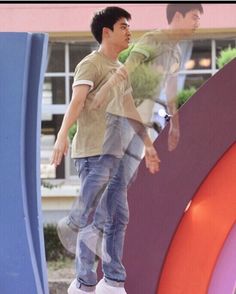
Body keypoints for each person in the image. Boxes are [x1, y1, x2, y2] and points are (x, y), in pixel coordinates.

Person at [51, 6, 160, 294]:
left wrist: (148, 144)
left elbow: (129, 109)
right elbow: (77, 102)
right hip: (92, 155)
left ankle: (111, 281)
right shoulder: (92, 64)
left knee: (118, 216)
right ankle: (85, 283)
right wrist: (62, 135)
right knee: (96, 219)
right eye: (123, 26)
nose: (129, 32)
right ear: (106, 32)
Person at [91, 3, 204, 152]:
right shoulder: (153, 39)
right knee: (109, 168)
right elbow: (126, 68)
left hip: (143, 121)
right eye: (194, 17)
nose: (197, 23)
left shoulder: (176, 51)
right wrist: (104, 90)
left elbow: (171, 91)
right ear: (177, 16)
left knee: (131, 172)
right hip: (122, 116)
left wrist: (174, 126)